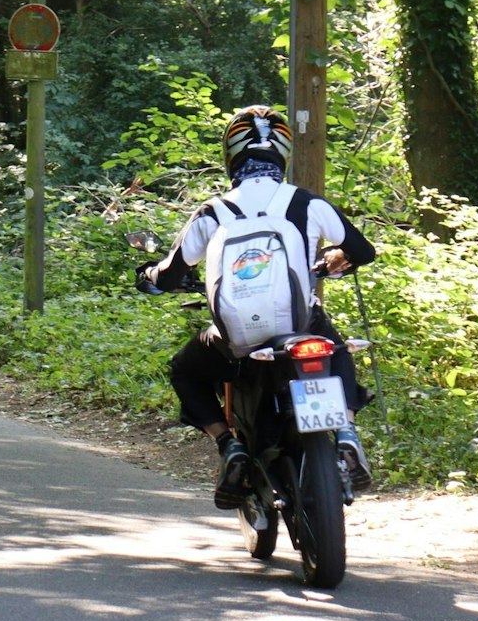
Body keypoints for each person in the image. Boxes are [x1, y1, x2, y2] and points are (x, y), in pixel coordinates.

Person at [136, 105, 376, 508]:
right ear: (283, 154)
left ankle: (229, 445)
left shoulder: (214, 211)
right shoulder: (306, 203)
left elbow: (171, 273)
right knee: (336, 349)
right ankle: (348, 435)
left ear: (230, 155)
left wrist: (149, 276)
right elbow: (362, 251)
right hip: (300, 324)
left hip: (237, 337)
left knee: (185, 369)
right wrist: (334, 259)